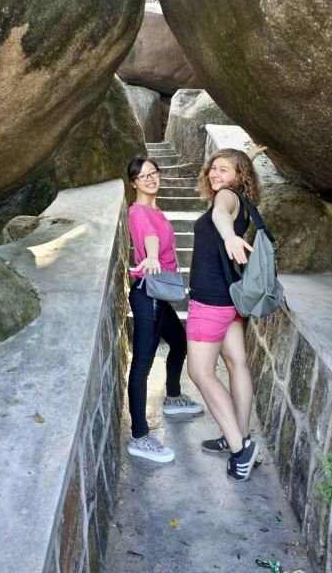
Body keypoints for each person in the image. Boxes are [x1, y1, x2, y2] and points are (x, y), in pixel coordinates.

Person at [186, 148, 262, 481]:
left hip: (211, 299)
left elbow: (220, 214)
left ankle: (239, 448)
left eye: (224, 170)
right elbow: (224, 209)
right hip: (230, 297)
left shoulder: (226, 198)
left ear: (239, 177)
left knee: (200, 372)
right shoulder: (242, 201)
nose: (215, 174)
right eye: (213, 168)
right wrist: (248, 157)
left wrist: (230, 236)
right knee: (236, 364)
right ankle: (240, 436)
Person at [126, 155, 203, 463]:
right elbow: (150, 237)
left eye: (153, 173)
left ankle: (172, 397)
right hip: (147, 296)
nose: (150, 179)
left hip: (157, 293)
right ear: (133, 183)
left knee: (179, 342)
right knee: (142, 365)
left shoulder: (156, 210)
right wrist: (152, 256)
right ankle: (139, 436)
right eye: (143, 176)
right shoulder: (139, 211)